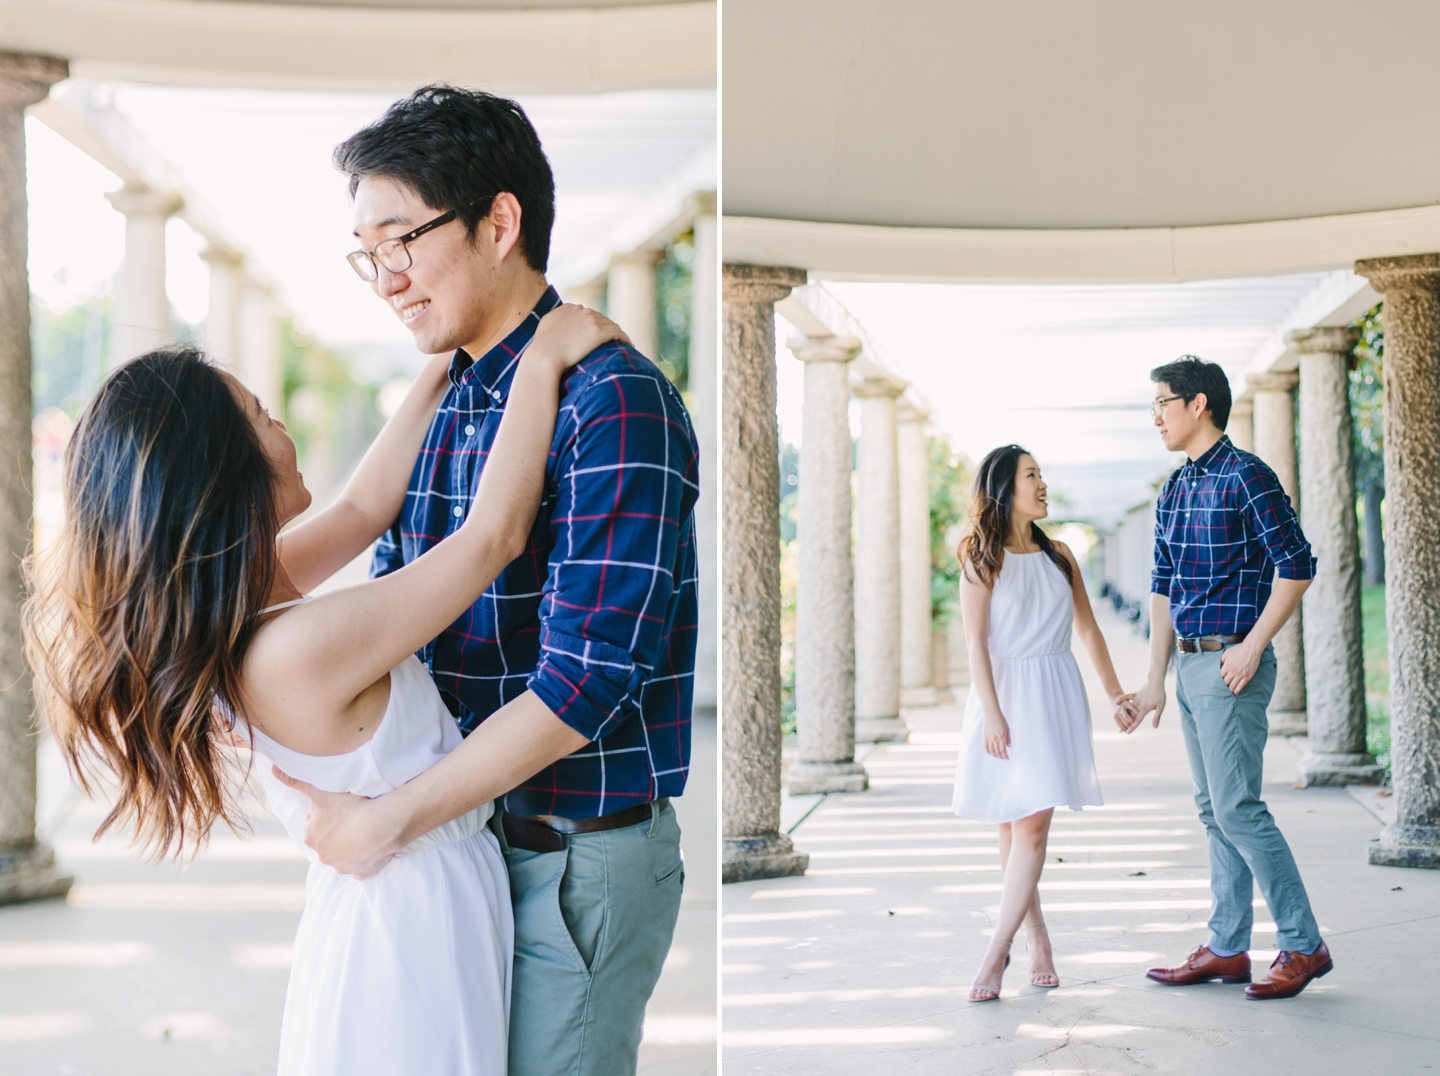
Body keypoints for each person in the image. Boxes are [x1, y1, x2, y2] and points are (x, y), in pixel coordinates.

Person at [23, 303, 624, 1074]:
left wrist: (451, 356)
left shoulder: (232, 605)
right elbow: (492, 539)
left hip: (403, 900)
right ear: (224, 471)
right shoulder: (292, 651)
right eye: (263, 416)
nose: (283, 430)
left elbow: (364, 508)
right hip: (409, 928)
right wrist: (540, 363)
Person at [270, 86, 699, 1076]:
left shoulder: (613, 398)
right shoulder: (453, 392)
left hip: (568, 858)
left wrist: (384, 818)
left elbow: (583, 683)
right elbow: (397, 596)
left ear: (499, 222)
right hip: (460, 849)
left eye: (401, 240)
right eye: (366, 251)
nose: (384, 277)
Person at [1129, 355, 1332, 1000]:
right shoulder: (1176, 486)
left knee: (1238, 808)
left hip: (1230, 664)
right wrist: (1155, 678)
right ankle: (1227, 946)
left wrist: (1252, 645)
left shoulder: (1248, 476)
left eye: (1162, 402)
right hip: (1187, 668)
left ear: (1198, 405)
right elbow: (1162, 586)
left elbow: (1296, 564)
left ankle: (1303, 944)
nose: (1155, 415)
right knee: (1213, 811)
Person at [952, 445, 1134, 1002]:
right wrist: (991, 712)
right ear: (1006, 488)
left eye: (1041, 475)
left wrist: (1115, 695)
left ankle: (995, 952)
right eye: (1032, 476)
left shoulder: (1060, 555)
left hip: (1052, 694)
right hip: (1003, 698)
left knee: (1030, 829)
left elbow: (1089, 631)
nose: (1043, 484)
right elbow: (975, 642)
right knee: (1012, 828)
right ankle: (1037, 938)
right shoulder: (980, 558)